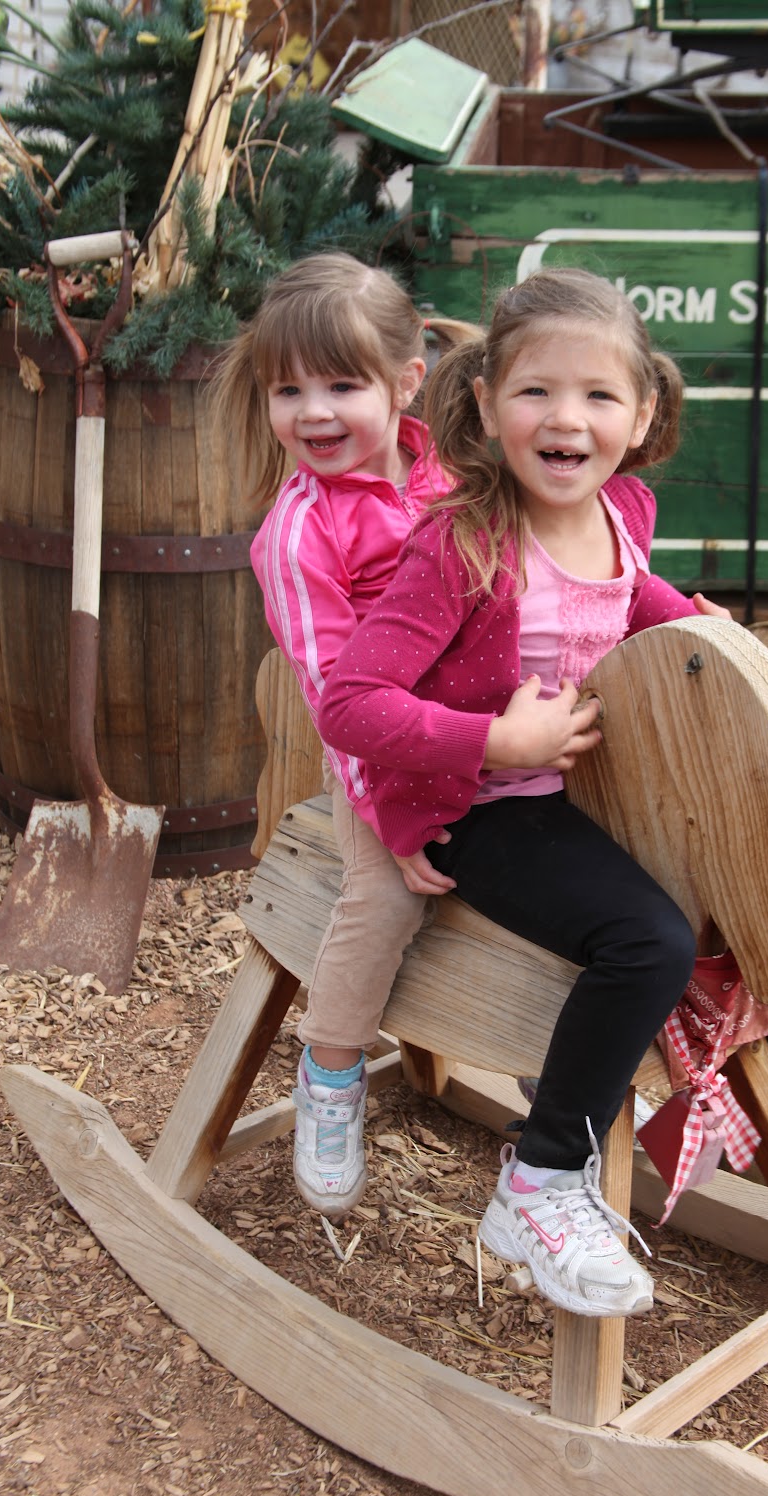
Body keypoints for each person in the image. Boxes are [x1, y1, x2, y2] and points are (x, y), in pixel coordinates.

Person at [320, 266, 735, 1319]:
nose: (565, 418)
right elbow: (350, 703)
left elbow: (623, 593)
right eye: (535, 391)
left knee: (737, 866)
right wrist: (493, 739)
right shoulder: (459, 543)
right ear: (484, 401)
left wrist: (690, 625)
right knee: (648, 939)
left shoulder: (621, 510)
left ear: (644, 412)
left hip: (576, 793)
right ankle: (540, 1182)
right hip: (482, 809)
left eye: (598, 395)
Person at [214, 252, 476, 1219]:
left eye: (341, 385)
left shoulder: (452, 471)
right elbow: (335, 699)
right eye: (288, 390)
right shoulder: (298, 535)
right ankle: (330, 1075)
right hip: (383, 759)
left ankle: (566, 1053)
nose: (313, 412)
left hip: (490, 732)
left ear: (405, 382)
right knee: (384, 897)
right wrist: (389, 817)